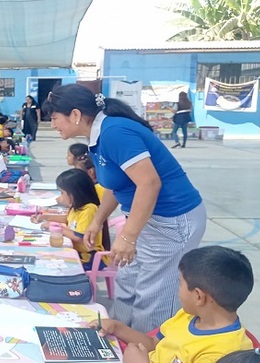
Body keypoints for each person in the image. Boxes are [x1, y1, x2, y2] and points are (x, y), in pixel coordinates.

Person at [44, 83, 206, 333]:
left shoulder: (114, 132)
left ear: (75, 115)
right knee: (127, 282)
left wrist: (128, 237)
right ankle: (120, 343)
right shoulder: (97, 137)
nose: (53, 124)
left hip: (171, 220)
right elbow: (115, 184)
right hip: (143, 219)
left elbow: (149, 183)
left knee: (153, 296)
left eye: (55, 118)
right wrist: (98, 221)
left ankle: (149, 352)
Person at [91, 246, 254, 363]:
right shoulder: (189, 316)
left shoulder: (221, 354)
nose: (178, 289)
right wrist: (117, 327)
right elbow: (155, 344)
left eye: (180, 283)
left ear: (198, 296)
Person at [53, 169, 108, 270]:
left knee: (57, 265)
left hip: (90, 257)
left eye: (62, 193)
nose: (61, 196)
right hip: (79, 252)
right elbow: (67, 219)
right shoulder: (77, 207)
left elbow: (79, 237)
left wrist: (59, 229)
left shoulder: (89, 209)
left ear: (73, 193)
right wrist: (45, 218)